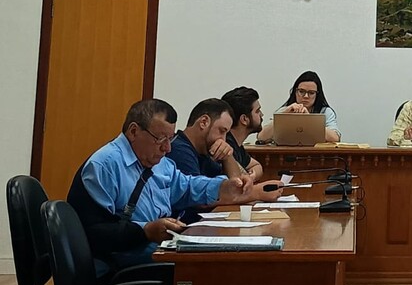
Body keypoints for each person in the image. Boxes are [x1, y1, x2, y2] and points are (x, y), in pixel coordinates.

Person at [66, 99, 283, 274]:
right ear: (133, 132)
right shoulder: (104, 165)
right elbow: (92, 233)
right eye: (160, 139)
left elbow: (188, 187)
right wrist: (145, 231)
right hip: (120, 257)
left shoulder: (161, 164)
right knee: (205, 270)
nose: (167, 148)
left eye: (170, 139)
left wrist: (226, 187)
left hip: (154, 247)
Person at [167, 98, 245, 180]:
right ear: (204, 122)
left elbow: (237, 182)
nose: (223, 139)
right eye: (222, 131)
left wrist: (227, 157)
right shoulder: (180, 151)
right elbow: (196, 187)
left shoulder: (202, 154)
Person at [258, 71, 341, 143]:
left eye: (311, 93)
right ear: (295, 92)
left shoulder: (326, 112)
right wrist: (284, 116)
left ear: (317, 95)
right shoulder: (285, 110)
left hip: (317, 154)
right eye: (301, 91)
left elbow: (335, 138)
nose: (306, 96)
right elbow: (261, 137)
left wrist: (309, 120)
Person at [221, 86, 264, 181]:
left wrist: (252, 175)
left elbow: (257, 166)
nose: (261, 115)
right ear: (244, 119)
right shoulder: (226, 145)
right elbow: (239, 181)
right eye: (257, 111)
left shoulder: (237, 144)